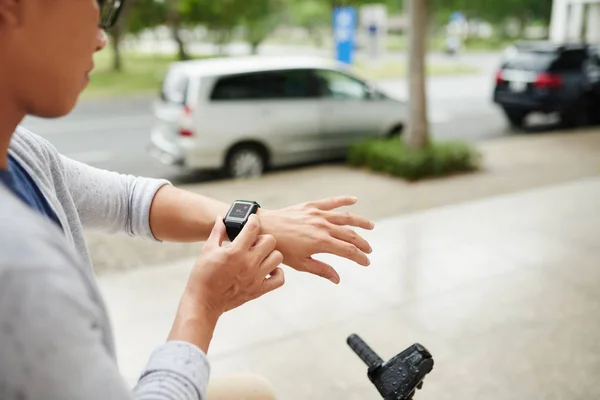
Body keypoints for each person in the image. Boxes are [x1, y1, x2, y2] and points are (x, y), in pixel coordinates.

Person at [0, 1, 375, 399]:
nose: (100, 37)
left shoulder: (23, 152)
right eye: (99, 3)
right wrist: (202, 305)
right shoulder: (18, 266)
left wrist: (259, 223)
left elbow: (129, 201)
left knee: (251, 391)